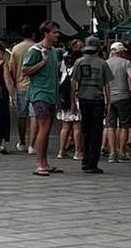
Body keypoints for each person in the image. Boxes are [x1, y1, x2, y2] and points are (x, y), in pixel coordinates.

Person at [22, 21, 63, 176]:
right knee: (43, 128)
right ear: (46, 33)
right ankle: (39, 163)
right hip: (39, 94)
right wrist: (41, 63)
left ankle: (45, 162)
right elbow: (25, 70)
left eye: (57, 32)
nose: (57, 35)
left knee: (47, 128)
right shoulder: (35, 50)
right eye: (54, 32)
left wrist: (58, 97)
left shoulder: (53, 51)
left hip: (51, 94)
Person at [71, 36, 112, 173]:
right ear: (98, 48)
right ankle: (93, 164)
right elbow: (106, 85)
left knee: (85, 131)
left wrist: (72, 102)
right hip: (97, 100)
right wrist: (108, 103)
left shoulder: (79, 62)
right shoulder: (102, 63)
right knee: (96, 132)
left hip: (83, 99)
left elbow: (74, 83)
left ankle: (85, 161)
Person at [10, 26, 37, 152]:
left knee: (22, 116)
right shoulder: (37, 48)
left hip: (21, 85)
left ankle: (22, 142)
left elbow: (13, 69)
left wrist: (15, 83)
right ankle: (32, 144)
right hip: (36, 86)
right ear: (33, 34)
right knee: (34, 116)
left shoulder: (16, 49)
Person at [106, 42, 131, 163]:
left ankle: (112, 153)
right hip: (124, 96)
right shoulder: (126, 63)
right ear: (121, 51)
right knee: (124, 125)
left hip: (109, 98)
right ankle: (122, 152)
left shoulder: (105, 63)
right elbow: (130, 77)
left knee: (110, 126)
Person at [56, 48, 83, 161]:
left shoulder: (64, 70)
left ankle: (61, 151)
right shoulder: (78, 70)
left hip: (64, 101)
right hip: (75, 101)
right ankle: (77, 152)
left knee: (65, 127)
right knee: (77, 127)